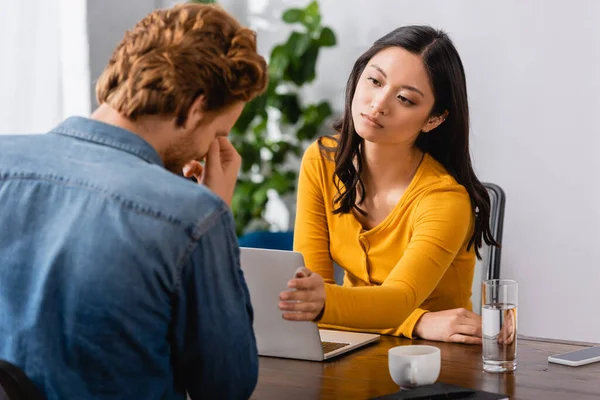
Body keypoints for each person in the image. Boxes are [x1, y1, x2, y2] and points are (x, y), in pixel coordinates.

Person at [0, 3, 267, 399]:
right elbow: (226, 386)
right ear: (196, 108)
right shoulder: (190, 216)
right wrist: (216, 214)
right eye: (219, 132)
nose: (210, 148)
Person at [280, 25, 499, 344]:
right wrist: (419, 322)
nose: (379, 104)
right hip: (350, 345)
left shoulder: (445, 199)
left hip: (437, 361)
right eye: (374, 81)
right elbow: (314, 292)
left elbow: (395, 299)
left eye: (405, 99)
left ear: (433, 119)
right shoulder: (321, 160)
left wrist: (328, 305)